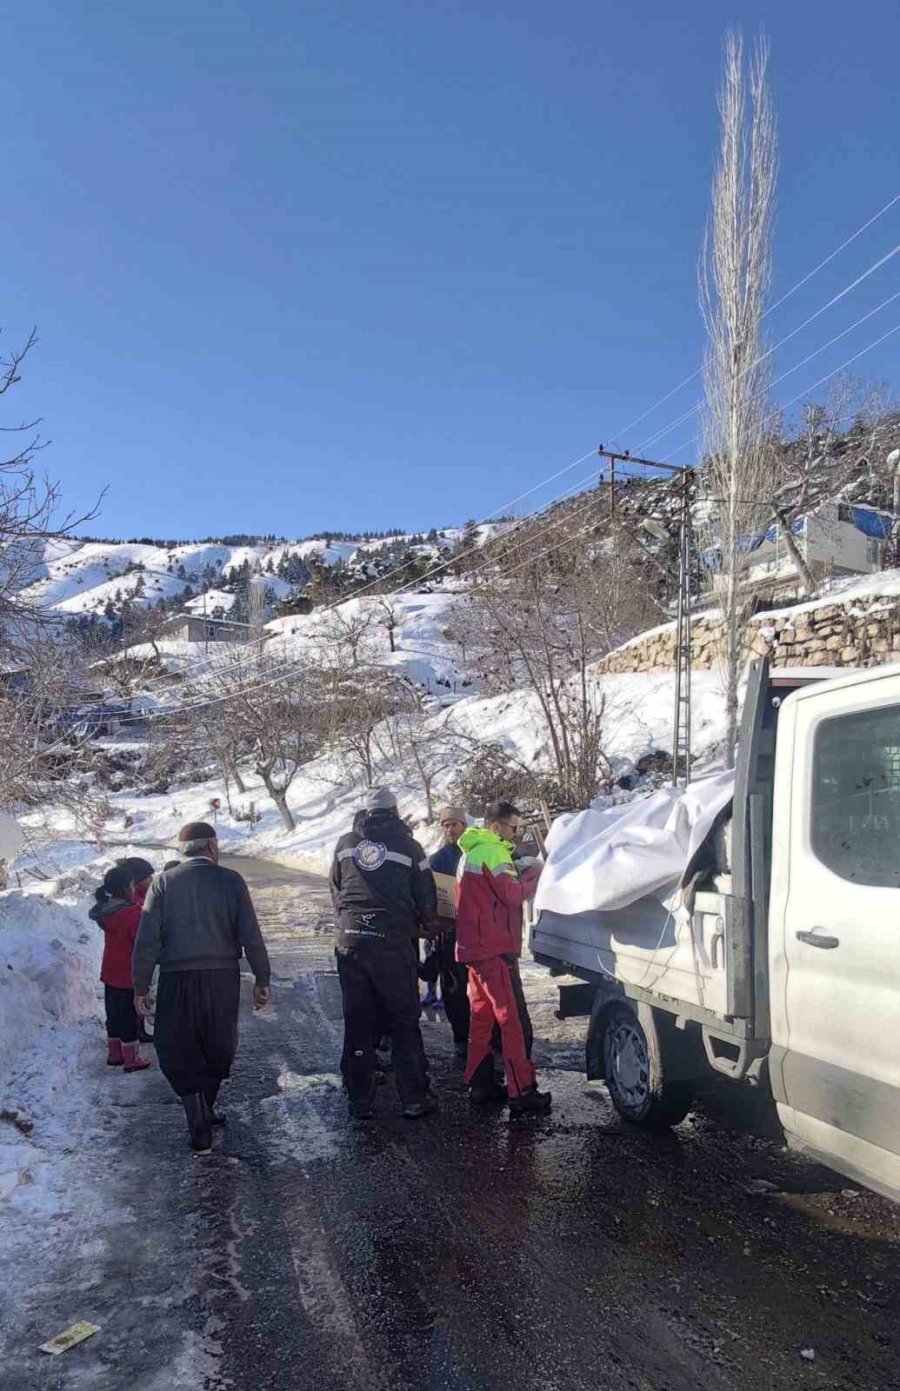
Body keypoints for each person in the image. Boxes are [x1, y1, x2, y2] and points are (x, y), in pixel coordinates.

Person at [132, 822, 271, 1156]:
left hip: (176, 978)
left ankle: (198, 1115)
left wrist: (141, 985)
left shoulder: (164, 883)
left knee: (178, 1044)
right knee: (217, 1043)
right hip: (222, 978)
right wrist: (262, 978)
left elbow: (147, 939)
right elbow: (250, 934)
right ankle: (204, 1108)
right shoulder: (231, 881)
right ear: (212, 847)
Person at [330, 787, 437, 1121]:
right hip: (392, 942)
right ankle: (414, 1098)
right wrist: (426, 922)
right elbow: (427, 895)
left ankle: (359, 1100)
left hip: (351, 942)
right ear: (395, 811)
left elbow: (336, 888)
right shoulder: (409, 846)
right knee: (404, 1020)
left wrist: (351, 921)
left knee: (357, 1020)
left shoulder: (346, 843)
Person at [456, 800, 551, 1115]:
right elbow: (512, 894)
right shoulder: (493, 851)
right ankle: (522, 1091)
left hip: (474, 948)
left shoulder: (471, 851)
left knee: (482, 1019)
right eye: (513, 828)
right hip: (494, 949)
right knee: (512, 1022)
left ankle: (480, 1083)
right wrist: (535, 874)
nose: (516, 834)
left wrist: (517, 869)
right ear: (496, 826)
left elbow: (486, 892)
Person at [90, 865, 152, 1073]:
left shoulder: (106, 910)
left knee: (114, 1014)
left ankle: (114, 1053)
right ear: (127, 887)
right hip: (129, 972)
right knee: (130, 1017)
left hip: (110, 970)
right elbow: (141, 943)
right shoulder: (132, 913)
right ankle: (131, 1058)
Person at [428, 805, 471, 1058]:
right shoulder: (437, 860)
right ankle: (461, 1037)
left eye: (455, 824)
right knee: (453, 988)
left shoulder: (476, 853)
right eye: (446, 825)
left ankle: (492, 1036)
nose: (450, 829)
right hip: (448, 933)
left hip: (476, 931)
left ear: (464, 826)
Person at [116, 858, 157, 1043]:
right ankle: (134, 1031)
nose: (152, 879)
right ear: (139, 879)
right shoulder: (135, 901)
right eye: (148, 877)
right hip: (132, 956)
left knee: (138, 992)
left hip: (133, 954)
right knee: (135, 993)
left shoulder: (141, 895)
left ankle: (138, 1028)